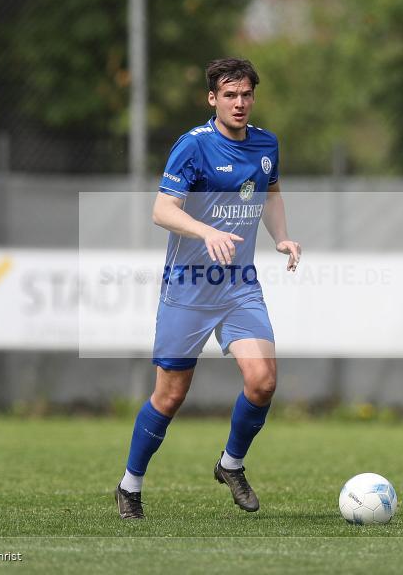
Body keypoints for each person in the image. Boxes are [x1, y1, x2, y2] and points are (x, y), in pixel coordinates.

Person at [115, 58, 301, 519]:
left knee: (263, 381)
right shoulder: (193, 147)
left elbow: (270, 193)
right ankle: (130, 485)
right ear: (212, 99)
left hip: (239, 287)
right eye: (230, 95)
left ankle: (230, 464)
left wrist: (281, 237)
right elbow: (162, 210)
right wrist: (206, 231)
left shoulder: (266, 143)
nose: (239, 103)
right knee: (171, 396)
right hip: (189, 289)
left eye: (246, 95)